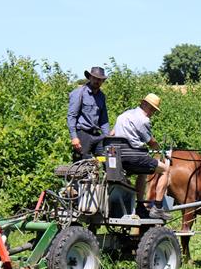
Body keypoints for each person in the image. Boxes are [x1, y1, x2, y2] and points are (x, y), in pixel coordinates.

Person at [112, 93, 171, 221]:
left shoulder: (123, 115)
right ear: (143, 104)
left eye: (154, 110)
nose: (152, 112)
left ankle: (140, 205)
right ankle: (158, 208)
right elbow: (151, 142)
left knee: (143, 173)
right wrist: (160, 150)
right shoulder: (143, 120)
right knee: (165, 169)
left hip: (118, 157)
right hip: (134, 157)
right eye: (151, 109)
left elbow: (112, 134)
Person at [67, 66, 110, 161]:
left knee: (106, 160)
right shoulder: (79, 93)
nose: (97, 81)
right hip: (83, 134)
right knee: (83, 164)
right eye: (95, 78)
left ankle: (104, 176)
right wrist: (74, 137)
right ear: (90, 77)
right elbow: (71, 116)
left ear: (102, 81)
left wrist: (107, 136)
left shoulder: (101, 96)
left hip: (96, 135)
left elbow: (104, 119)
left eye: (100, 79)